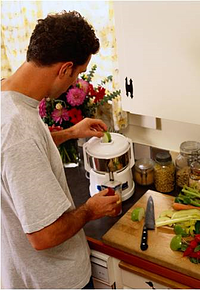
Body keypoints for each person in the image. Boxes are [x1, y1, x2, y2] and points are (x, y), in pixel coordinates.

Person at [1, 11, 119, 289]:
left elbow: (25, 151)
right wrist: (90, 210)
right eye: (77, 73)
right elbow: (43, 235)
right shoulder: (18, 129)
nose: (75, 81)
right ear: (65, 68)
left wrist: (71, 133)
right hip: (53, 280)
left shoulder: (8, 96)